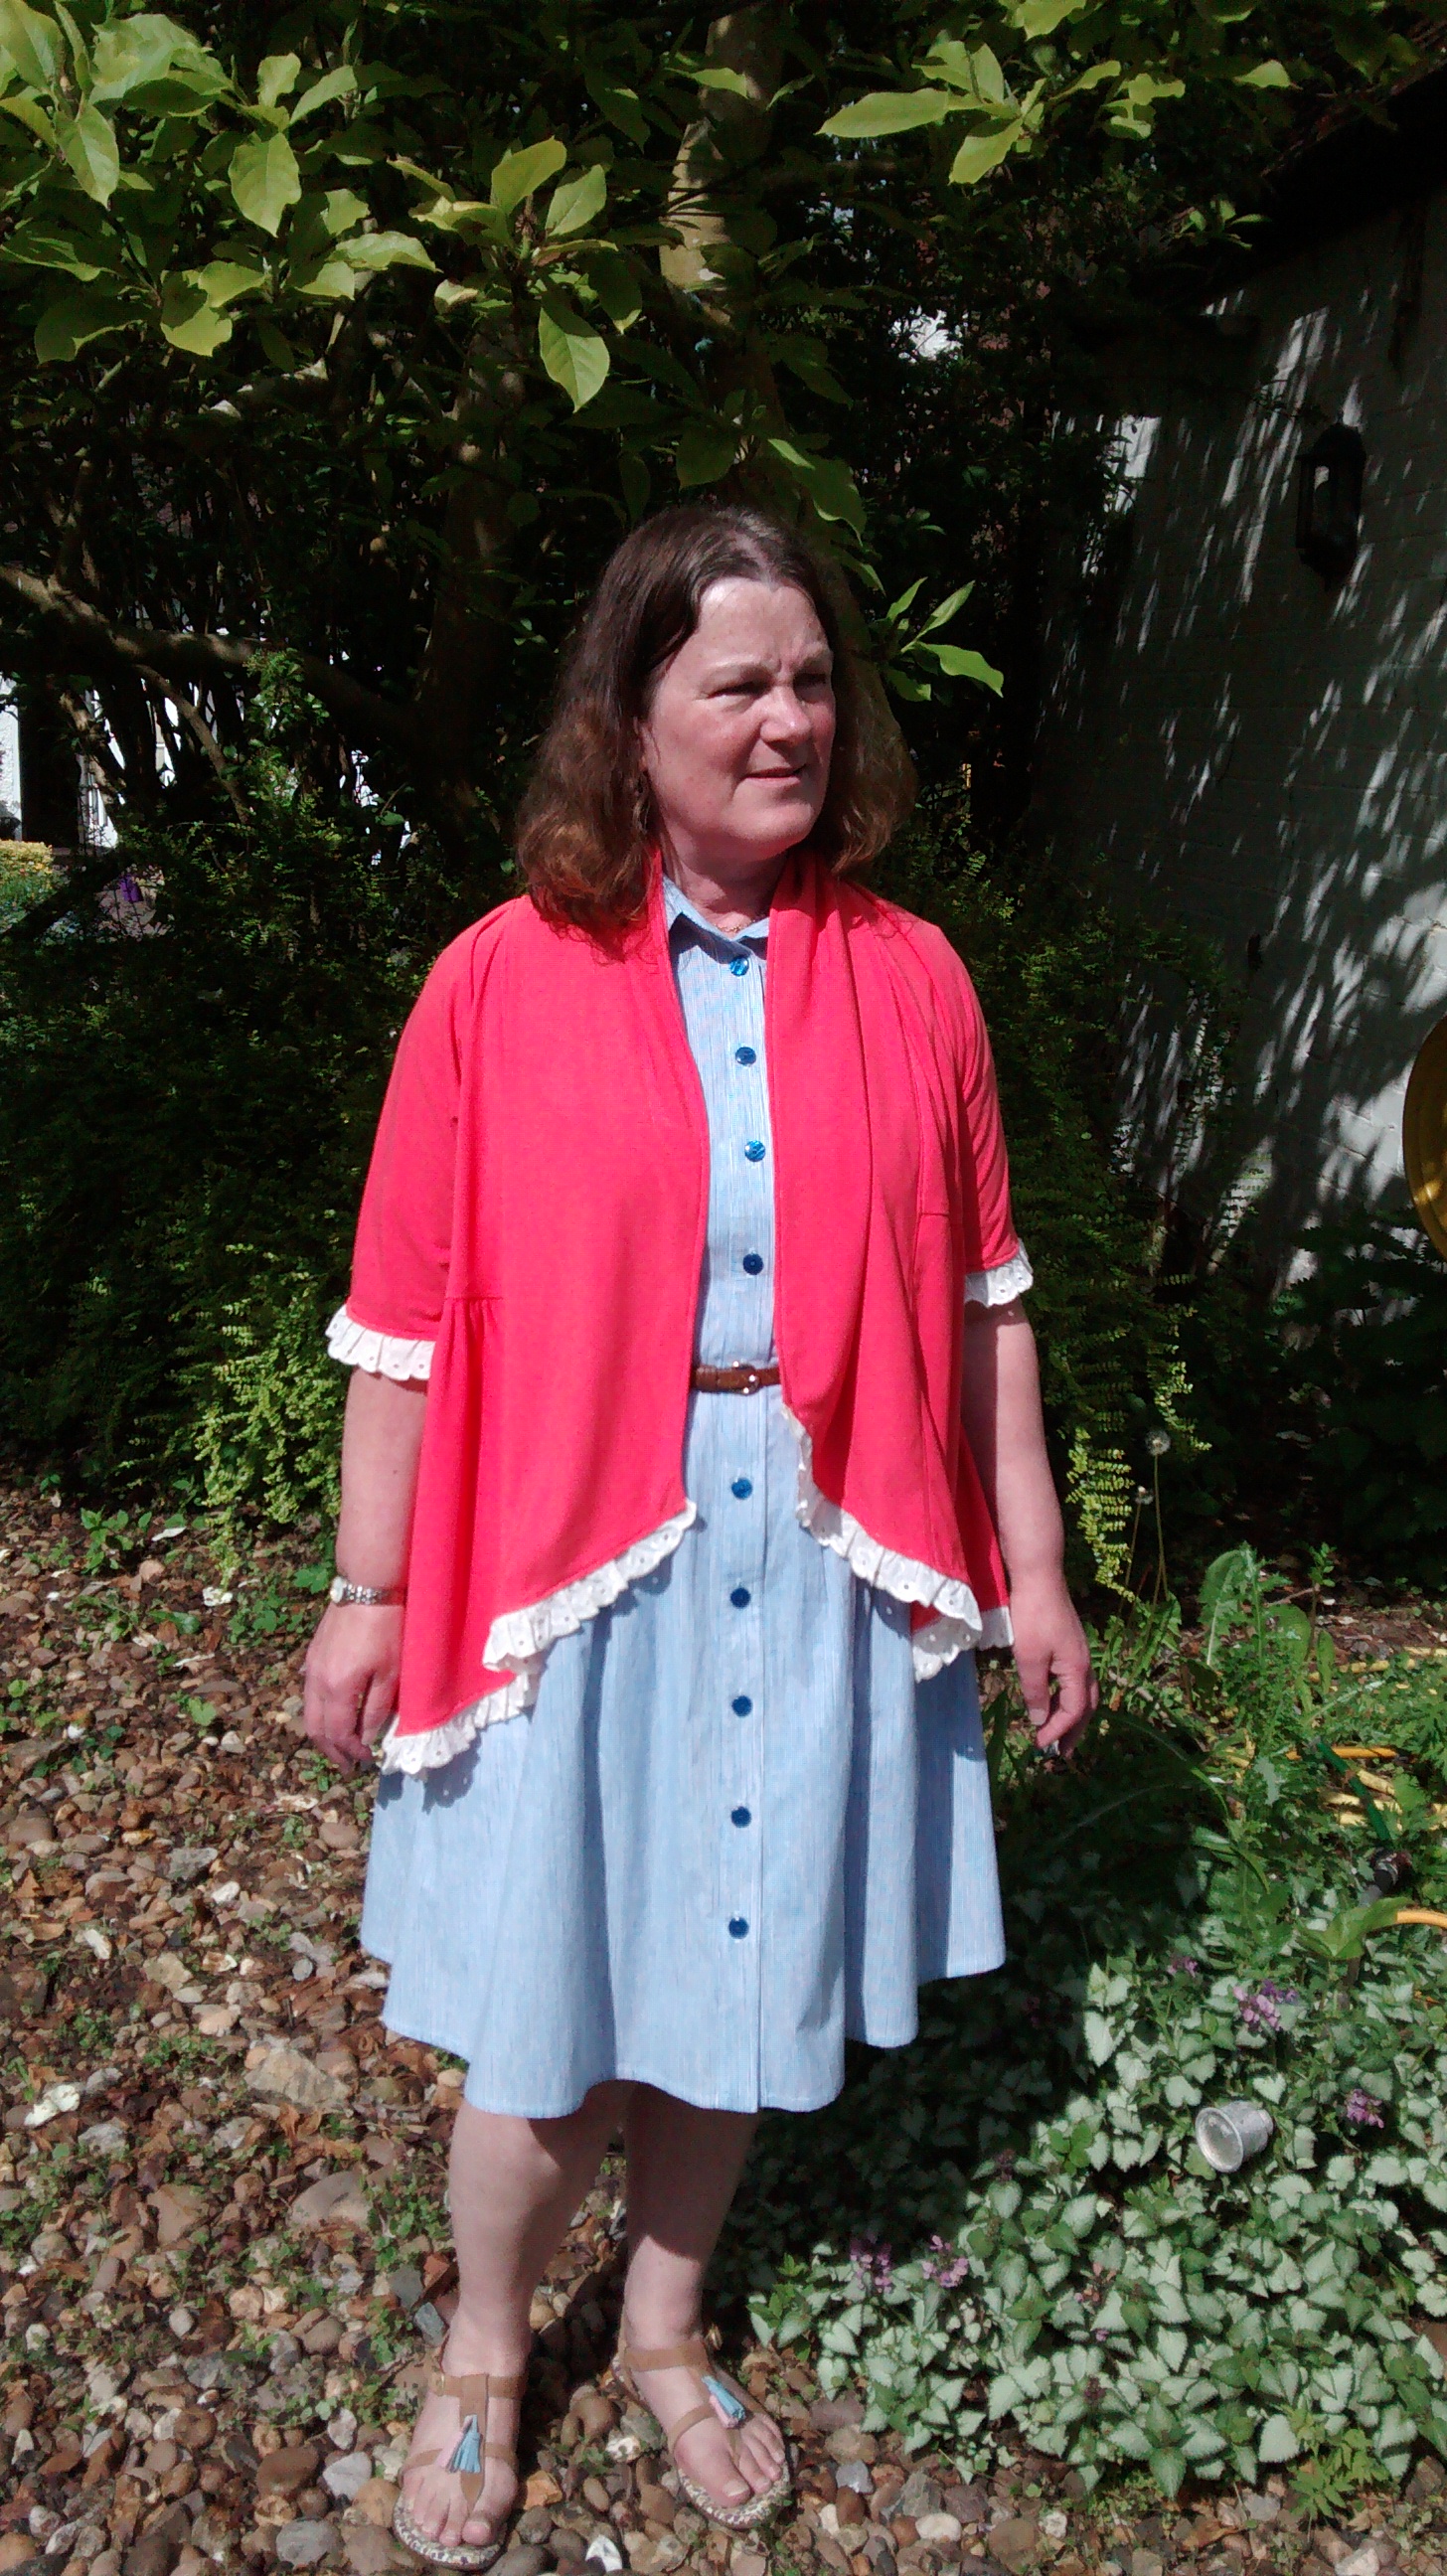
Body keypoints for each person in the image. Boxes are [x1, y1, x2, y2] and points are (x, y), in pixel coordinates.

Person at [305, 504, 1096, 2569]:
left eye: (811, 680)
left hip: (820, 1552)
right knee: (553, 2003)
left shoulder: (913, 978)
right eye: (737, 683)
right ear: (628, 716)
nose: (786, 722)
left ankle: (659, 2324)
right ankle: (485, 2344)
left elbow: (983, 1304)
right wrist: (370, 1593)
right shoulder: (497, 981)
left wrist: (1031, 1571)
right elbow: (401, 1327)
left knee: (742, 1975)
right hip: (585, 1559)